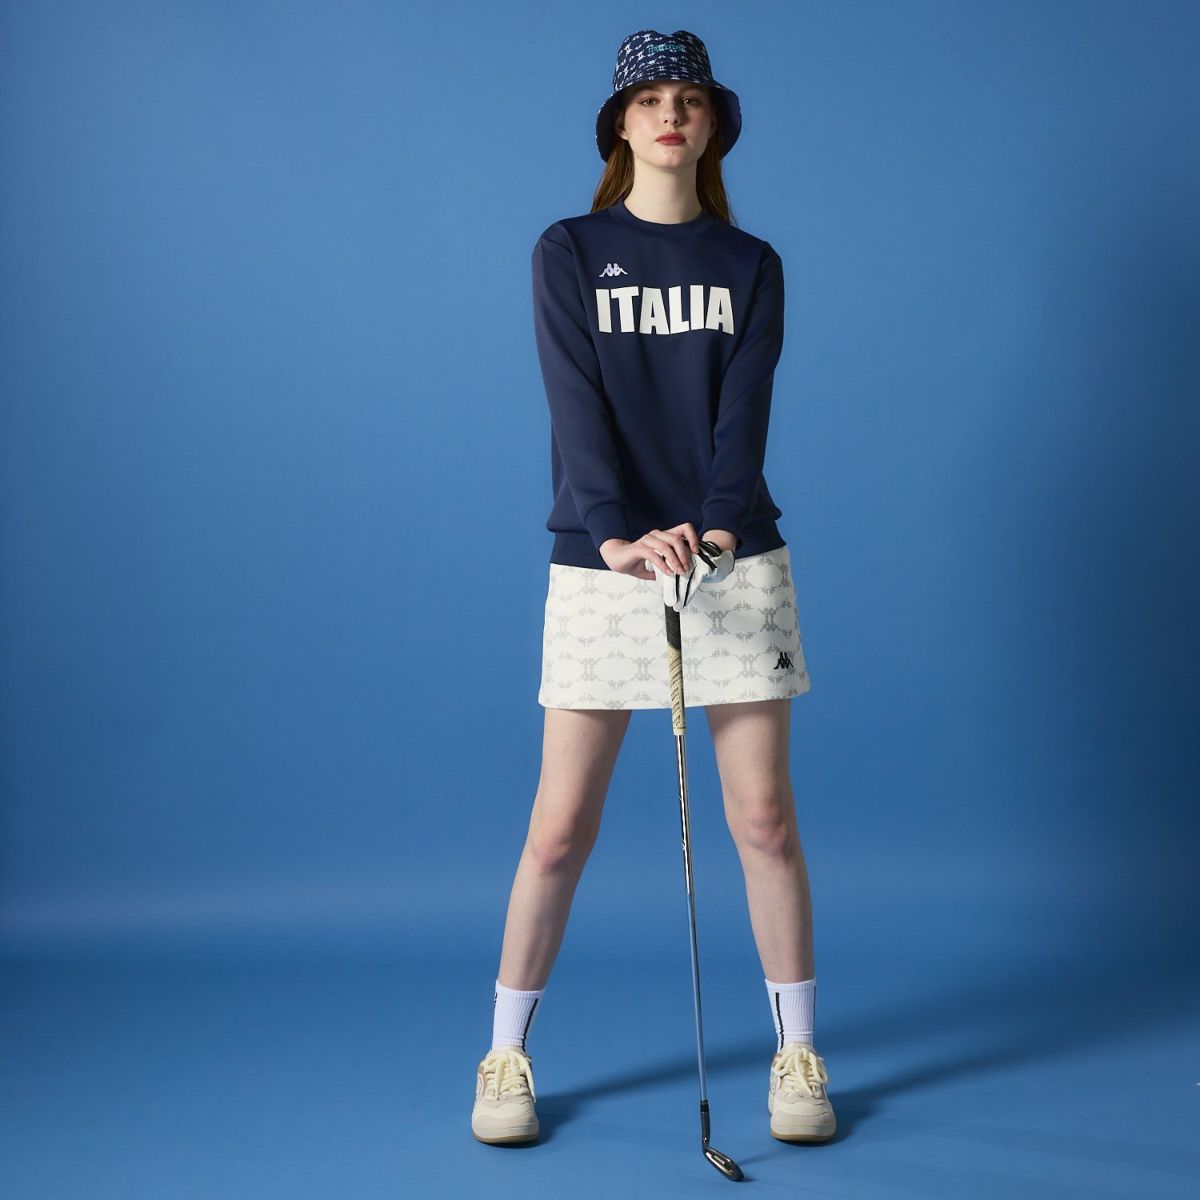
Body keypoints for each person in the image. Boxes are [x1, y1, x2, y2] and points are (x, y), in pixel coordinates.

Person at [471, 28, 836, 1148]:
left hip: (734, 562)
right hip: (604, 565)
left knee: (764, 819)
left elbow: (743, 418)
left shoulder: (751, 264)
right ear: (620, 126)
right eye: (650, 100)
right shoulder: (570, 251)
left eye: (690, 99)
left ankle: (797, 1053)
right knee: (558, 829)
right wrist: (619, 535)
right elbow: (575, 408)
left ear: (713, 124)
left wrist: (717, 528)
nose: (671, 115)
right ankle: (504, 1057)